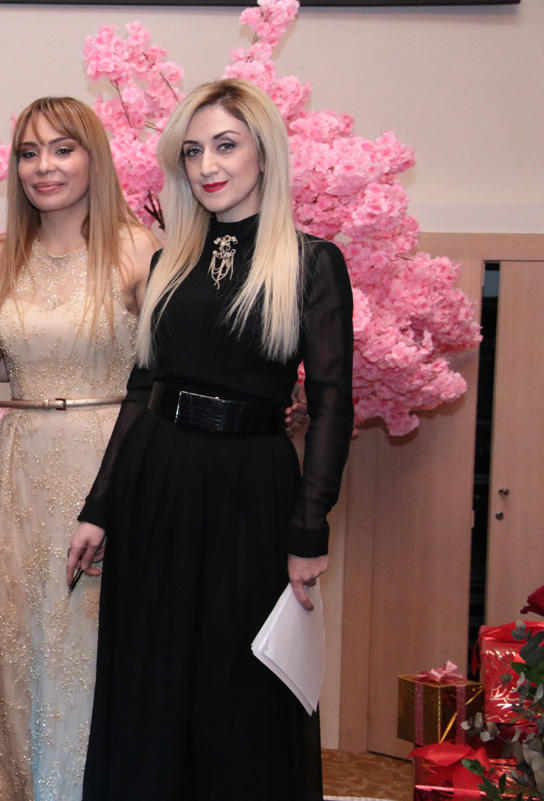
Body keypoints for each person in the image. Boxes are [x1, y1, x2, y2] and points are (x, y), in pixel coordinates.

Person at [67, 78, 354, 801]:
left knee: (241, 692)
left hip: (252, 491)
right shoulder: (169, 259)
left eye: (225, 145)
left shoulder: (312, 263)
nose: (206, 165)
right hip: (157, 480)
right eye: (192, 152)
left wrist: (309, 528)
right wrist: (100, 506)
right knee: (150, 676)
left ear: (265, 152)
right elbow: (142, 389)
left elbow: (331, 403)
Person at [0, 97, 158, 801]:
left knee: (91, 637)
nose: (44, 167)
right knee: (22, 637)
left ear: (94, 157)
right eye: (30, 153)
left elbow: (164, 376)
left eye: (63, 149)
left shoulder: (138, 249)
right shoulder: (2, 256)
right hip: (24, 467)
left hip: (109, 463)